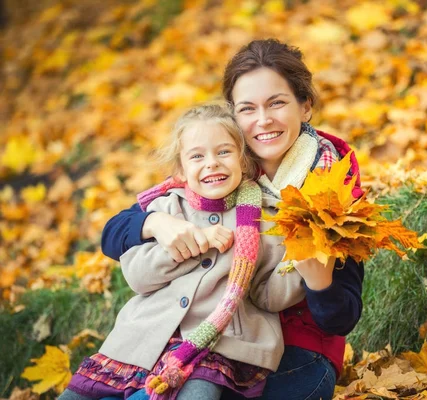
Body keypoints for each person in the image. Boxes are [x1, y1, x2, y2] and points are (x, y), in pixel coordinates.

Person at [102, 39, 365, 400]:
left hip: (297, 349)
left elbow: (341, 317)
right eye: (247, 108)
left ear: (305, 106)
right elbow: (113, 234)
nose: (263, 120)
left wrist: (319, 284)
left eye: (277, 103)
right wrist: (155, 225)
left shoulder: (332, 182)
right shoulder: (221, 165)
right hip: (211, 338)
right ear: (233, 116)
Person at [60, 104, 305, 400]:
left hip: (220, 343)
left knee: (197, 395)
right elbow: (138, 277)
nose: (212, 163)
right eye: (197, 156)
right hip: (144, 339)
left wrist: (302, 259)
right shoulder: (165, 208)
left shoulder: (265, 218)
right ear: (181, 169)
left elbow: (269, 295)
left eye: (224, 152)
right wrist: (191, 244)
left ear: (244, 161)